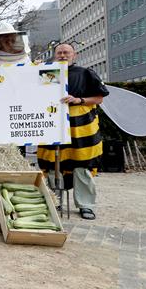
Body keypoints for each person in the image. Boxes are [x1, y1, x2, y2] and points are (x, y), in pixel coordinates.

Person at [37, 43, 108, 220]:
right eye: (59, 52)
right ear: (54, 55)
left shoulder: (85, 73)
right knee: (53, 163)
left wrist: (79, 100)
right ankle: (55, 200)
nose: (62, 55)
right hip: (53, 123)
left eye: (66, 52)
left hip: (81, 126)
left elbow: (99, 98)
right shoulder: (48, 73)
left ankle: (86, 205)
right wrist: (34, 69)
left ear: (74, 55)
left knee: (82, 165)